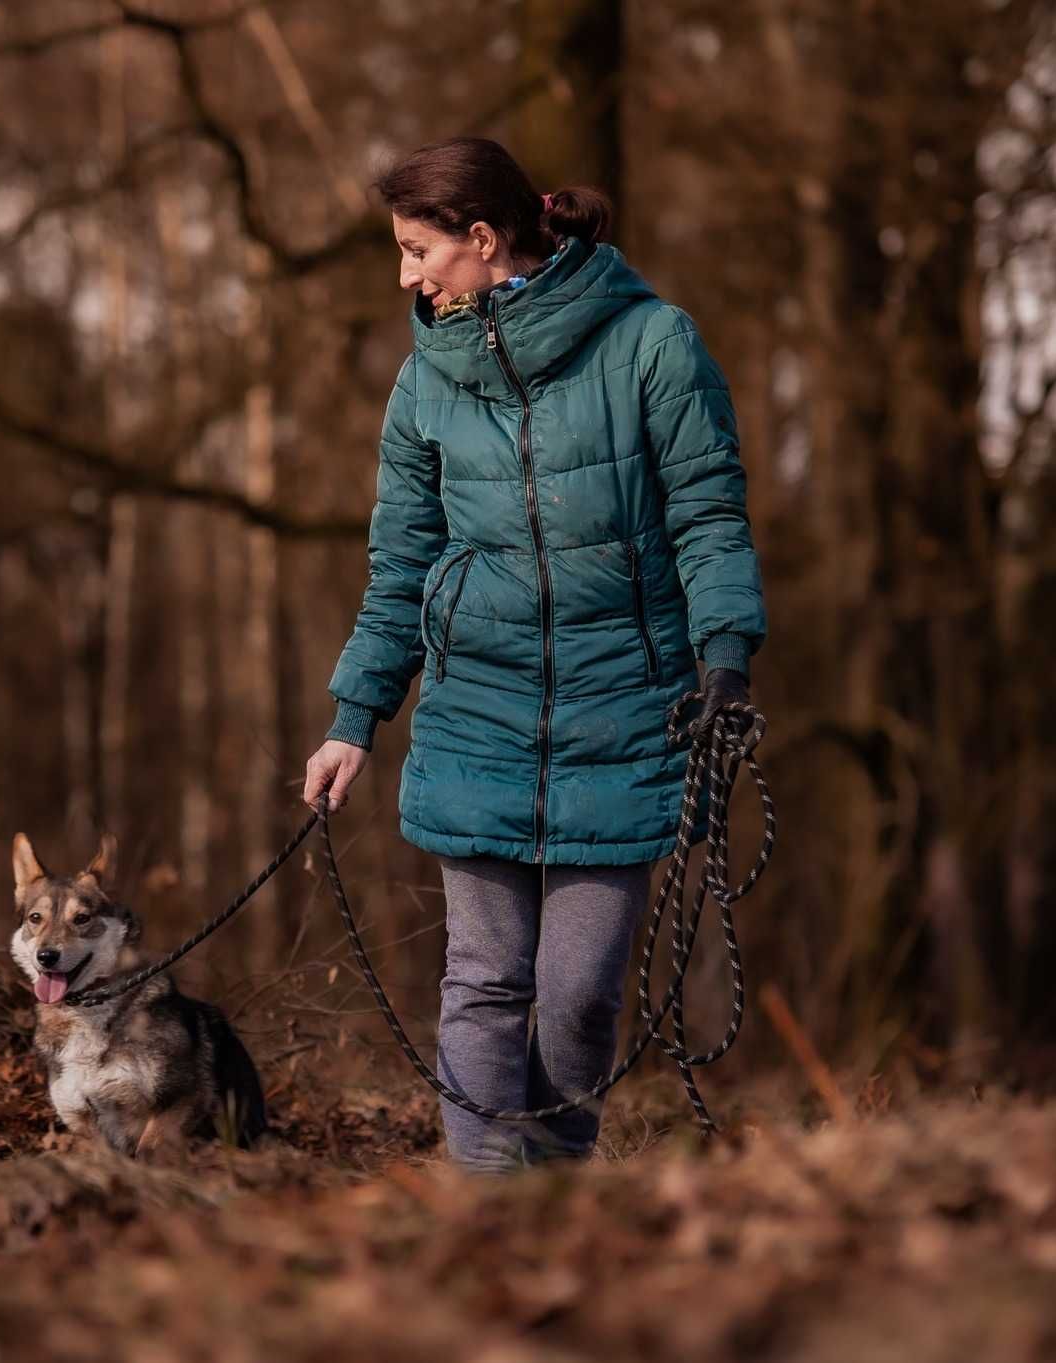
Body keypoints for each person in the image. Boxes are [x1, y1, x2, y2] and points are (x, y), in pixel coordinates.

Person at [301, 137, 766, 1173]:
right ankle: (485, 1213)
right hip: (475, 714)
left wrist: (724, 659)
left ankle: (554, 1192)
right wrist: (352, 718)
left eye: (418, 249)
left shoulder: (653, 344)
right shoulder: (422, 384)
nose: (405, 275)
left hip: (629, 712)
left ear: (481, 238)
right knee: (481, 979)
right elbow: (399, 566)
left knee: (578, 996)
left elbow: (709, 519)